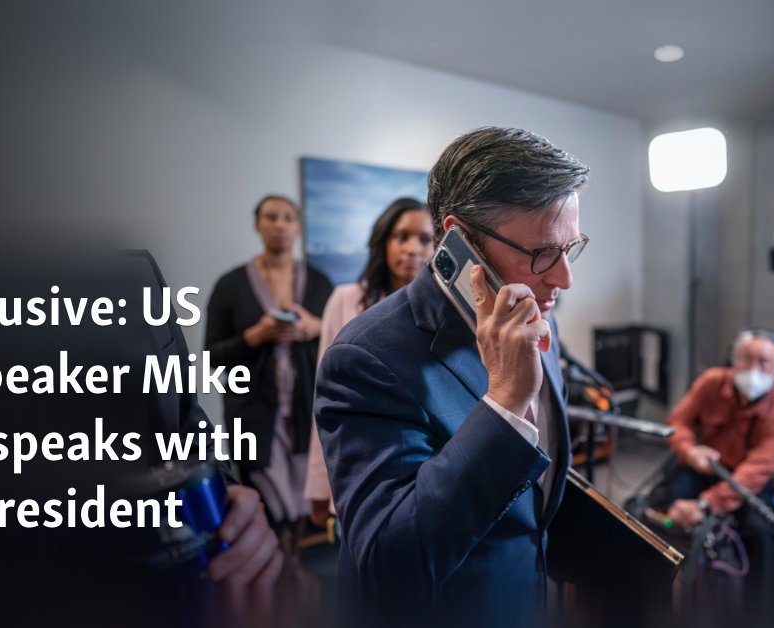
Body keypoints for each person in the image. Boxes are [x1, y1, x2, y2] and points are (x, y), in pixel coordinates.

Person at [314, 127, 588, 624]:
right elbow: (387, 563)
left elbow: (534, 496)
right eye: (543, 253)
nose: (564, 277)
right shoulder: (365, 357)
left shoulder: (536, 315)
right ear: (461, 239)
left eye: (571, 247)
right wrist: (504, 405)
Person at [205, 195, 334, 532]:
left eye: (288, 218)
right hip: (255, 414)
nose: (279, 225)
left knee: (310, 503)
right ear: (257, 225)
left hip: (309, 409)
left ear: (298, 227)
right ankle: (282, 567)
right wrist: (255, 335)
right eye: (271, 217)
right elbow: (211, 356)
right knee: (267, 505)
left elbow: (344, 341)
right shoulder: (230, 286)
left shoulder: (320, 283)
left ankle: (299, 568)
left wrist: (316, 328)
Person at [304, 197, 434, 527]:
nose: (412, 249)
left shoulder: (445, 313)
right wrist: (320, 485)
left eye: (424, 239)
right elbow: (325, 405)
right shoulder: (346, 300)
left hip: (427, 468)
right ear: (383, 241)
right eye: (400, 236)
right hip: (358, 462)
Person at [653, 329, 774, 602]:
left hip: (746, 482)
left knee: (762, 534)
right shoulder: (711, 382)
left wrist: (705, 504)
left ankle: (760, 610)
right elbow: (678, 421)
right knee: (660, 502)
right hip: (703, 466)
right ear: (733, 359)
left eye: (764, 363)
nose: (753, 370)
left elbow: (756, 470)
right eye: (746, 359)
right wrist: (689, 451)